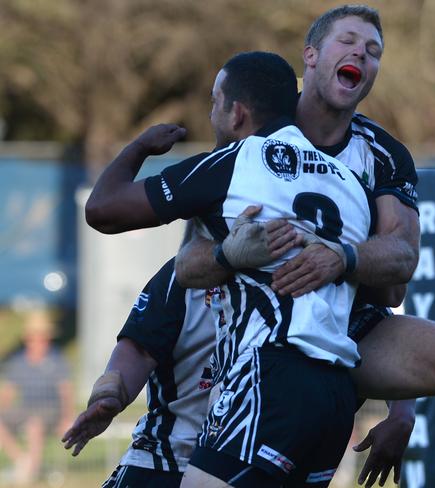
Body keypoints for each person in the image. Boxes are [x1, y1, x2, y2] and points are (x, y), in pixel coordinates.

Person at [175, 5, 435, 487]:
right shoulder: (255, 133)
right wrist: (235, 253)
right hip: (255, 333)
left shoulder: (383, 153)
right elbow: (187, 263)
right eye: (348, 41)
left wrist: (402, 408)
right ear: (310, 56)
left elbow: (396, 276)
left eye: (373, 51)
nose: (361, 53)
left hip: (349, 327)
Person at [84, 51, 372, 487]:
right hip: (338, 394)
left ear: (237, 113)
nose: (211, 113)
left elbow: (103, 210)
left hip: (272, 373)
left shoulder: (237, 161)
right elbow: (386, 295)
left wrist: (140, 146)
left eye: (214, 102)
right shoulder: (349, 181)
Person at [61, 221, 217, 488]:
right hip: (171, 458)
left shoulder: (296, 273)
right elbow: (139, 347)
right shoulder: (179, 279)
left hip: (263, 459)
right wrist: (110, 393)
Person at [0, 310, 74, 485]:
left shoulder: (56, 358)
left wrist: (67, 417)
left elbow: (66, 392)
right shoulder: (18, 362)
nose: (39, 341)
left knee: (34, 425)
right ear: (28, 338)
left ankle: (30, 473)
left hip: (50, 410)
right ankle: (23, 461)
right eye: (35, 336)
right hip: (26, 407)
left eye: (43, 336)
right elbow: (8, 392)